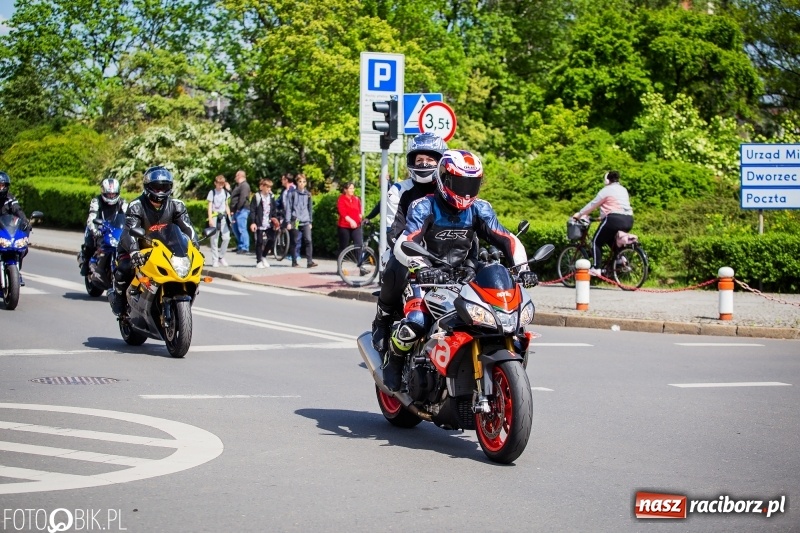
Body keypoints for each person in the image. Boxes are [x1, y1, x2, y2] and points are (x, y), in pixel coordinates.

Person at [373, 150, 536, 391]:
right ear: (444, 179)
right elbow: (404, 242)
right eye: (459, 182)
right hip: (424, 277)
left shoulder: (480, 208)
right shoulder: (423, 206)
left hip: (463, 277)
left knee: (492, 319)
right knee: (417, 321)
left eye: (471, 183)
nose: (465, 189)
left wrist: (523, 268)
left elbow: (506, 238)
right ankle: (394, 361)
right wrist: (422, 267)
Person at [108, 166, 198, 316]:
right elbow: (129, 230)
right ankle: (120, 301)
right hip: (137, 247)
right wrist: (134, 251)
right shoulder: (136, 206)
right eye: (157, 186)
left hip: (164, 249)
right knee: (125, 267)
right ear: (148, 186)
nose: (161, 190)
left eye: (165, 186)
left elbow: (187, 227)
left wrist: (194, 244)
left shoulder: (177, 205)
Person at [572, 170, 634, 277]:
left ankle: (596, 268)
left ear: (606, 180)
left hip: (614, 219)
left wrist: (579, 213)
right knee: (610, 238)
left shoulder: (606, 190)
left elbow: (593, 204)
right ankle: (620, 258)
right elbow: (615, 205)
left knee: (596, 241)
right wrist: (600, 218)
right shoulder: (623, 189)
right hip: (629, 219)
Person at [79, 178, 128, 276]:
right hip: (99, 227)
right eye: (109, 194)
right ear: (103, 192)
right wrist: (95, 230)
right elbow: (91, 218)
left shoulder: (122, 202)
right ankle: (85, 262)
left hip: (114, 229)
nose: (111, 196)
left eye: (113, 194)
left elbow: (130, 216)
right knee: (90, 243)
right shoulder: (96, 201)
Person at [0, 171, 31, 285]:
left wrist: (26, 222)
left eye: (2, 185)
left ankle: (17, 272)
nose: (0, 188)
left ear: (6, 186)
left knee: (22, 248)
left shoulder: (10, 198)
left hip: (6, 231)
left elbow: (18, 210)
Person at [284, 173, 317, 268]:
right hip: (296, 220)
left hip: (306, 220)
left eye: (304, 181)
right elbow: (289, 208)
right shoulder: (292, 193)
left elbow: (310, 208)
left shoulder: (308, 194)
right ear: (297, 182)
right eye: (300, 181)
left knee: (308, 240)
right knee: (295, 240)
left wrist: (310, 221)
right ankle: (294, 261)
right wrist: (288, 222)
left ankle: (309, 261)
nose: (302, 183)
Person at [248, 178, 278, 269]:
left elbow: (273, 210)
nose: (269, 189)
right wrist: (253, 222)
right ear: (262, 187)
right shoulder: (257, 197)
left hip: (269, 222)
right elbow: (252, 210)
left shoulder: (271, 197)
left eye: (270, 187)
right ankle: (259, 261)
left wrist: (275, 220)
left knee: (271, 240)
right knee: (259, 242)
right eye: (267, 187)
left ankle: (263, 256)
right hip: (259, 222)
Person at [206, 174, 232, 267]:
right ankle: (215, 259)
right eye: (219, 183)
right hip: (215, 216)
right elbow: (209, 206)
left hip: (223, 217)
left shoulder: (225, 193)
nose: (221, 185)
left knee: (226, 237)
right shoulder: (212, 192)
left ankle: (221, 256)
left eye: (222, 184)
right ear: (215, 183)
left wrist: (229, 217)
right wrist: (210, 219)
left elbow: (226, 205)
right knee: (214, 239)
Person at [336, 182, 363, 256]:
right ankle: (340, 263)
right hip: (344, 226)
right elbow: (342, 212)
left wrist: (360, 217)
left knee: (359, 244)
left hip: (356, 226)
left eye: (353, 188)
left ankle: (360, 263)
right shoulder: (341, 199)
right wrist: (351, 221)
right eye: (350, 188)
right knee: (343, 246)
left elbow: (359, 210)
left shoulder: (356, 199)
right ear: (345, 190)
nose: (352, 190)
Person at [229, 169, 251, 254]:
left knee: (242, 229)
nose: (235, 178)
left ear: (239, 176)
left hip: (242, 209)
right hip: (236, 210)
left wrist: (238, 208)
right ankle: (240, 245)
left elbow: (243, 197)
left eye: (236, 176)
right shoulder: (238, 186)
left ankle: (245, 247)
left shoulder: (244, 185)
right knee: (236, 229)